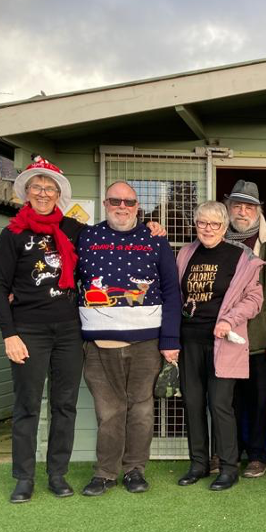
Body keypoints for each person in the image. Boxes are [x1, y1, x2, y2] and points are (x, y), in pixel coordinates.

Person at [78, 181, 181, 496]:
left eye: (129, 202)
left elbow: (171, 290)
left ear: (138, 206)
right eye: (115, 201)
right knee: (108, 410)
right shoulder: (85, 237)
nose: (122, 207)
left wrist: (170, 339)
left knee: (141, 409)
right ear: (105, 203)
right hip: (98, 345)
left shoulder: (155, 239)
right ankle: (105, 472)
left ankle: (134, 470)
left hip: (146, 343)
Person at [0, 156, 83, 503]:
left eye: (49, 188)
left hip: (69, 331)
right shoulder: (13, 233)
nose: (43, 193)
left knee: (65, 405)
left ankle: (57, 474)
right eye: (37, 187)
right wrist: (9, 334)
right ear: (26, 192)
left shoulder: (74, 230)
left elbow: (111, 239)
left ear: (59, 194)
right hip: (28, 330)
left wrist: (151, 228)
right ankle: (24, 478)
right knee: (27, 405)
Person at [176, 201, 265, 491]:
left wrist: (229, 320)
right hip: (189, 339)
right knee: (192, 402)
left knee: (219, 404)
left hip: (223, 342)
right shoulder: (185, 253)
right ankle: (198, 464)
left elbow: (255, 299)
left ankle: (228, 467)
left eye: (214, 224)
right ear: (195, 224)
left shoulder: (241, 257)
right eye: (202, 223)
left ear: (224, 227)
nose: (208, 229)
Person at [224, 180, 266, 479]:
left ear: (258, 210)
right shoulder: (217, 237)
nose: (242, 211)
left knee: (260, 399)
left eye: (248, 207)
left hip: (259, 338)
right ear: (228, 208)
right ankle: (229, 452)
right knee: (228, 400)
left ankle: (257, 455)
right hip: (225, 337)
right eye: (237, 205)